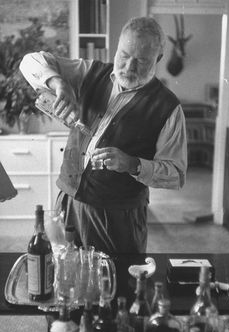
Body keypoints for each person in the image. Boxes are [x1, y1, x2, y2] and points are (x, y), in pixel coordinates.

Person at [20, 16, 187, 254]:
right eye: (124, 55)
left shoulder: (169, 108)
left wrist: (133, 164)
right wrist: (59, 83)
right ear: (116, 48)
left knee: (116, 283)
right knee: (64, 276)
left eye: (141, 61)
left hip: (118, 217)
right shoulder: (90, 72)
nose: (129, 67)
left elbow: (176, 174)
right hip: (68, 201)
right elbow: (29, 62)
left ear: (158, 59)